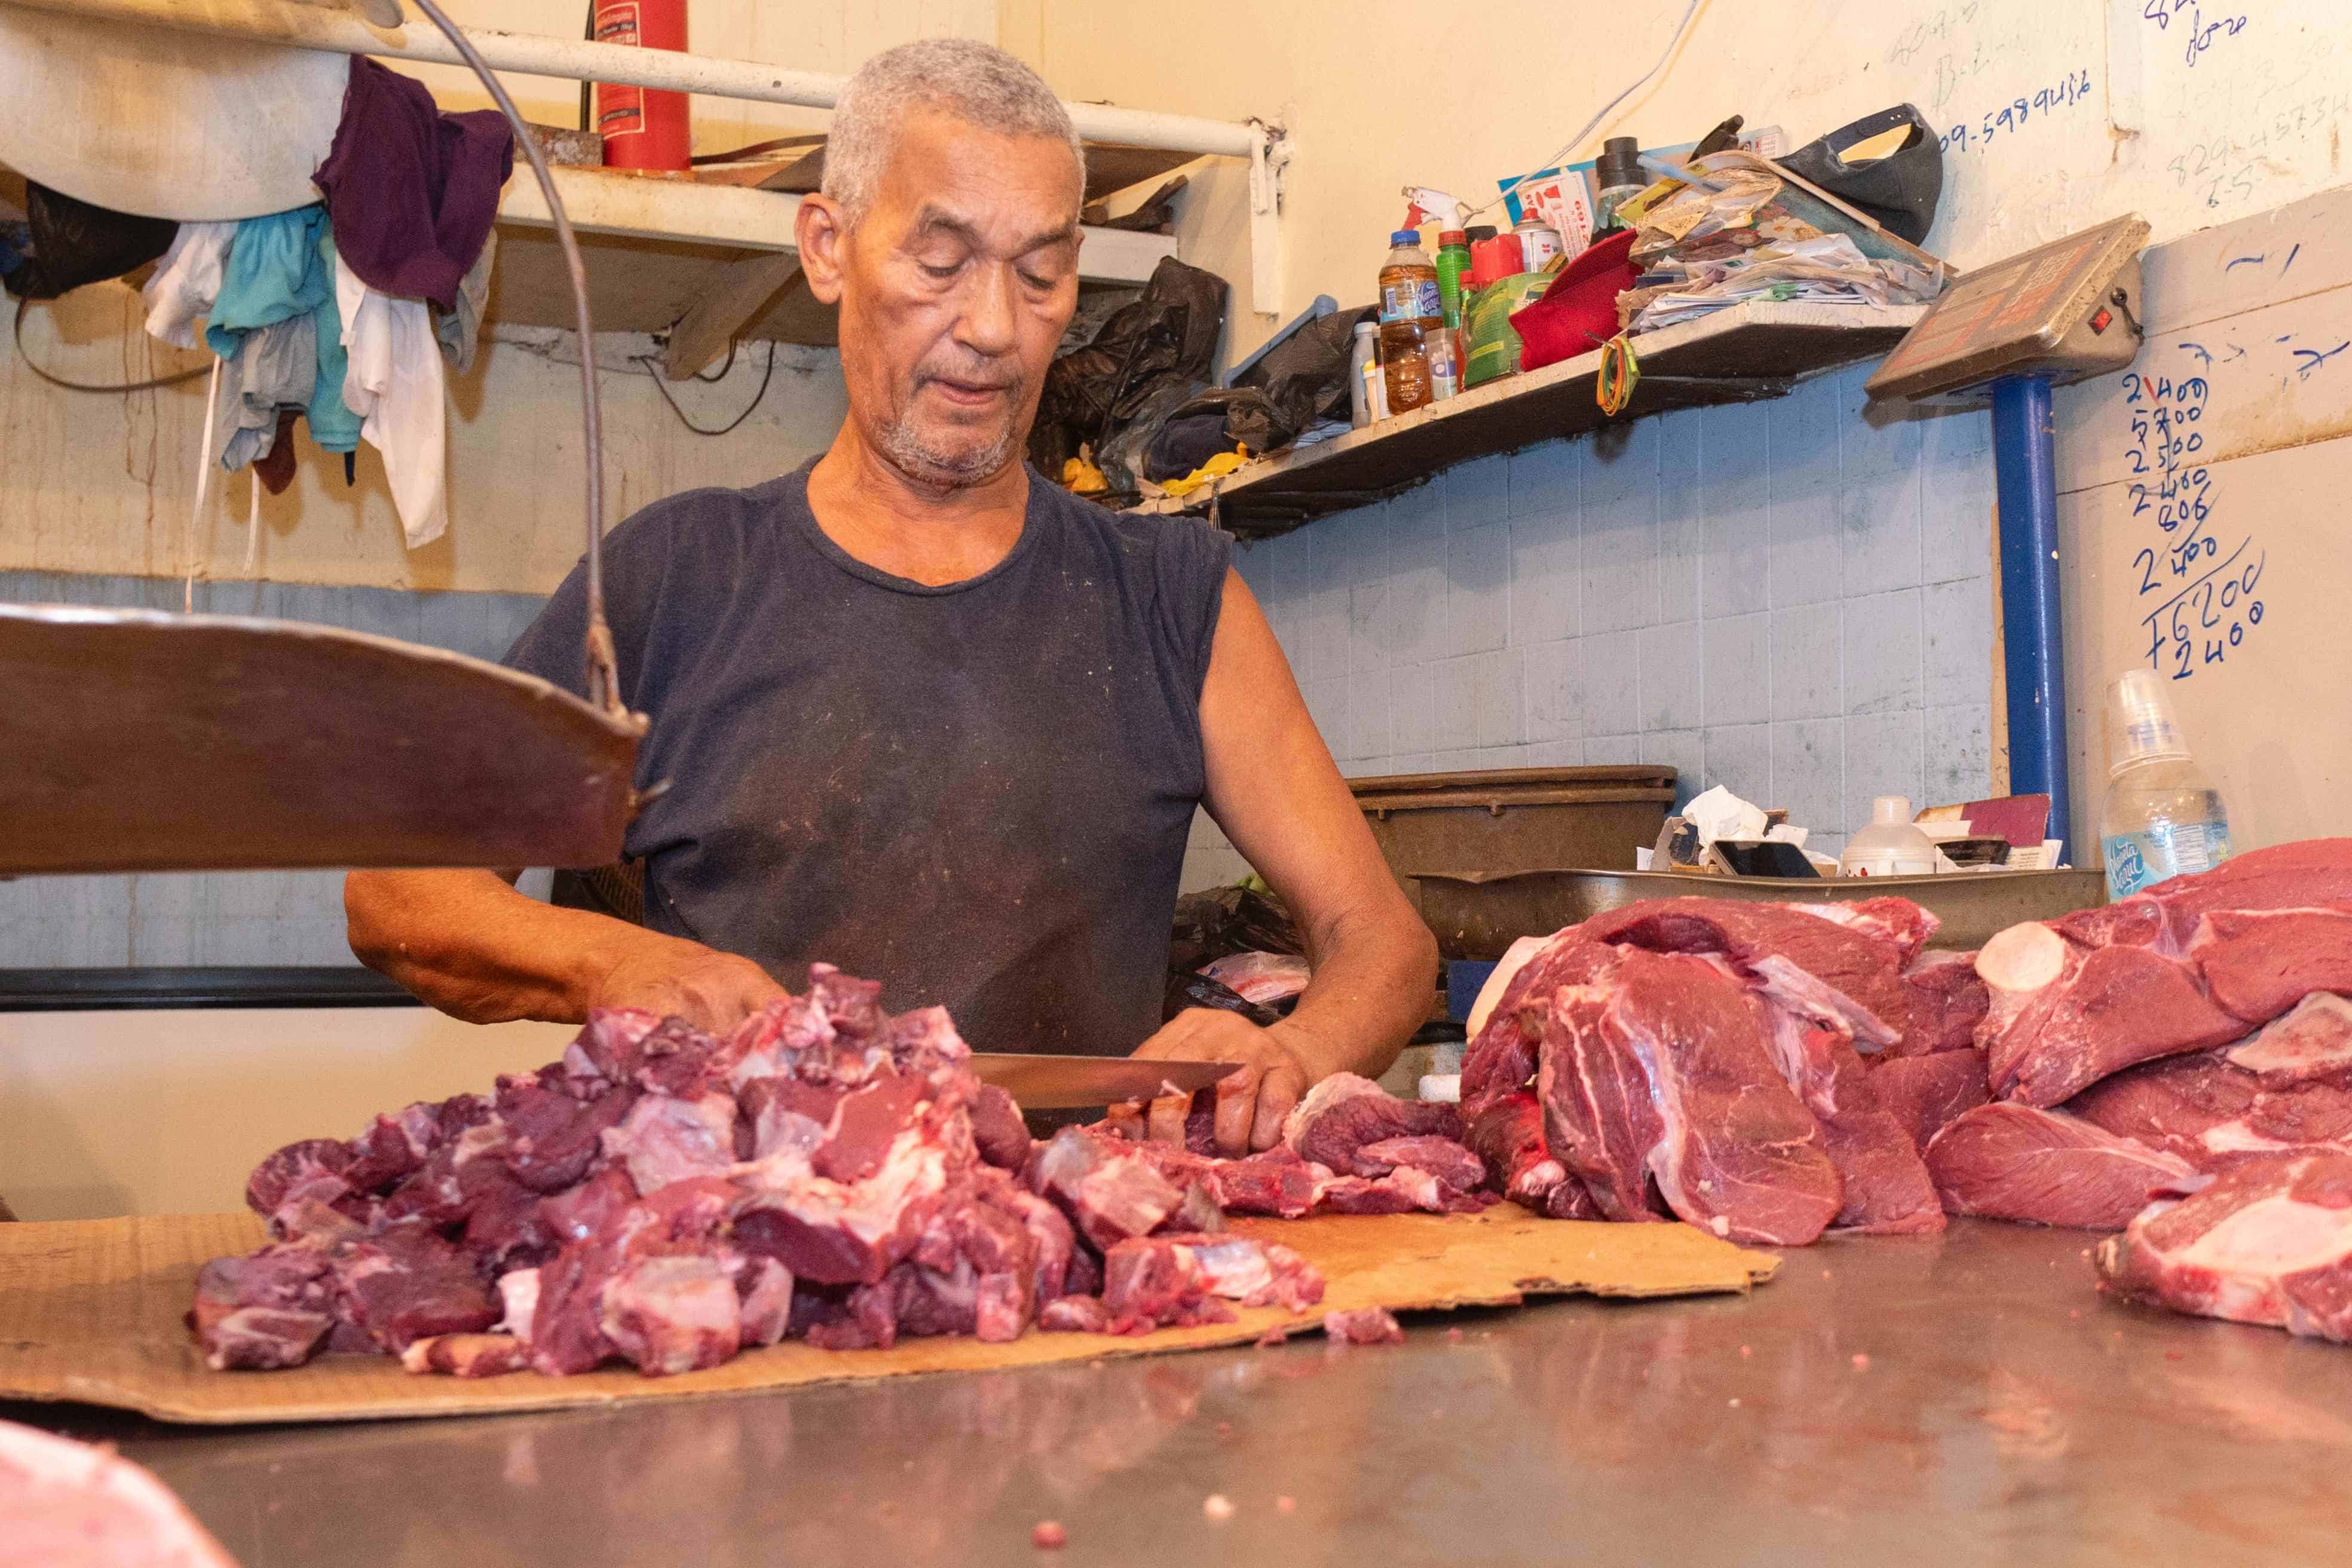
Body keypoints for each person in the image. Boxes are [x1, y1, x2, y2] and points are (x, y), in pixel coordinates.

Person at [345, 39, 1434, 1154]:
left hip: (1067, 1258)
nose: (994, 328)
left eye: (1041, 274)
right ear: (828, 247)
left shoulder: (1173, 598)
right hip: (753, 1264)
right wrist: (619, 962)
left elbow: (1383, 941)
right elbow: (401, 893)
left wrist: (1295, 1052)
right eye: (940, 260)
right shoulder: (673, 581)